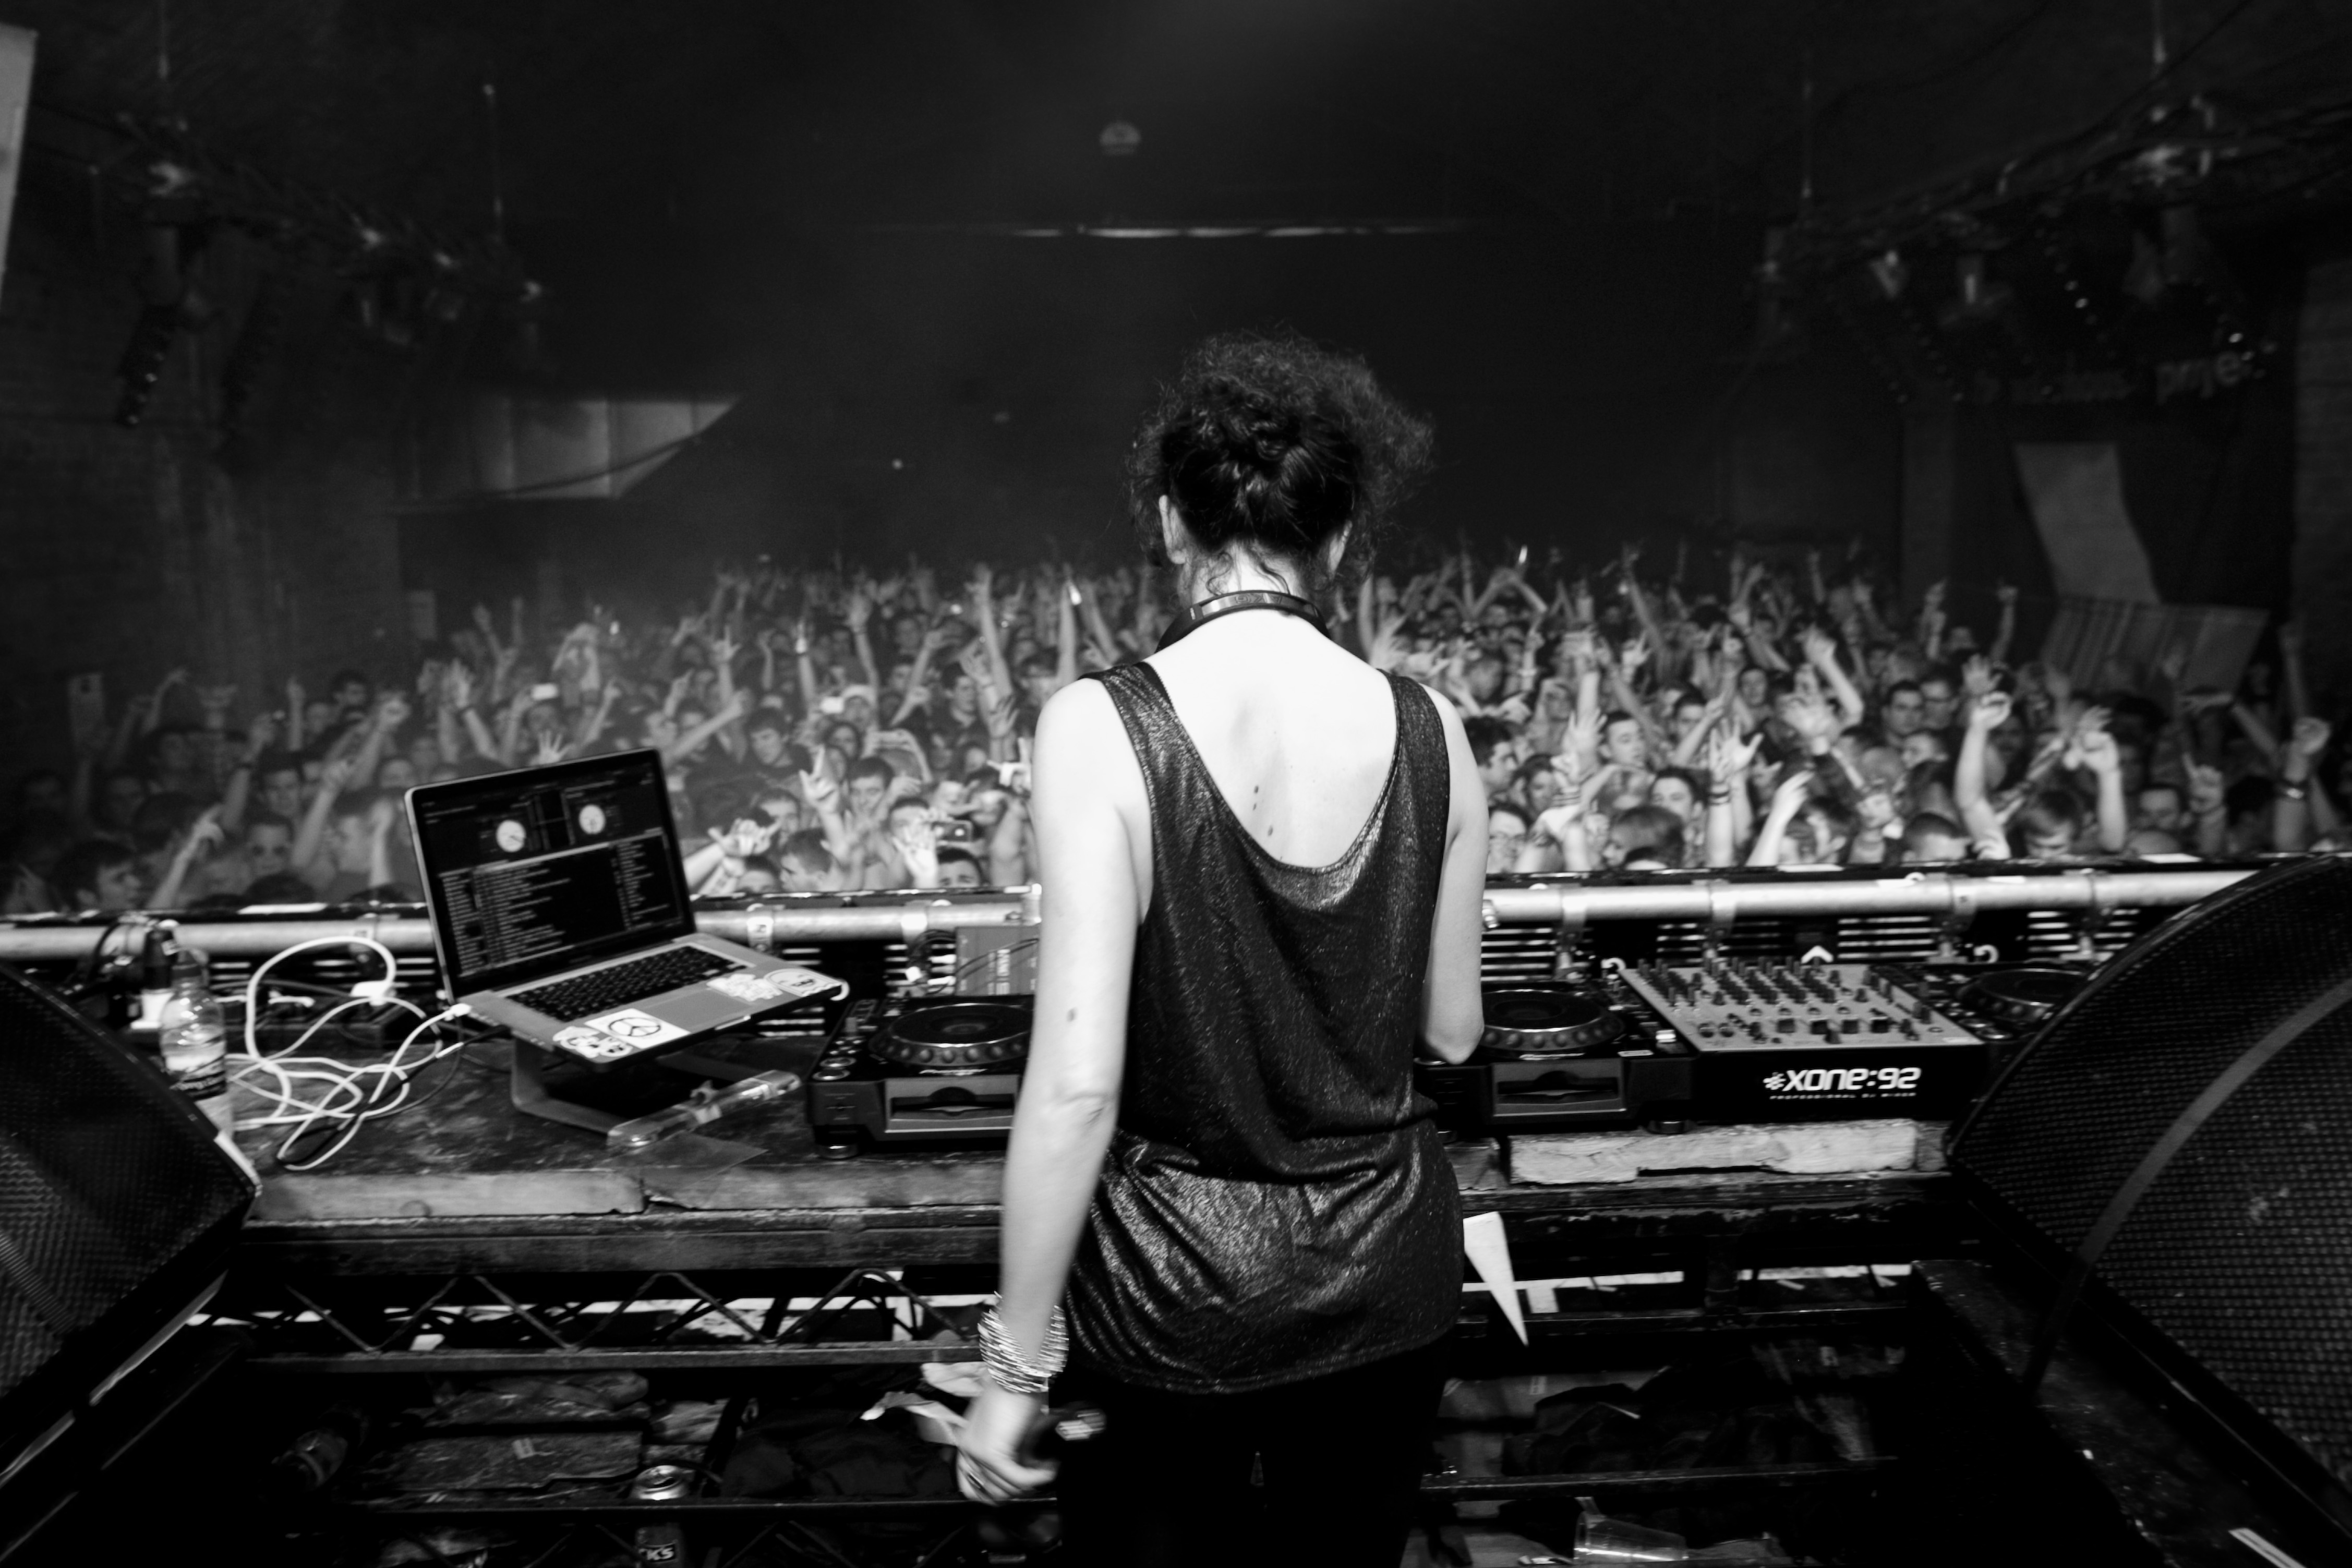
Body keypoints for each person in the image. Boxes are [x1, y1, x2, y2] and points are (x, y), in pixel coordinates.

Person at [952, 333, 1487, 1567]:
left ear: (1168, 523)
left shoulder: (1096, 726)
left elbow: (1077, 1088)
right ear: (1338, 536)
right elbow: (1451, 1031)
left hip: (1170, 1301)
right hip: (1389, 1277)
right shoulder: (1434, 730)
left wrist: (1012, 1365)